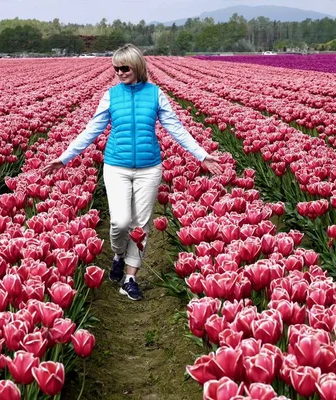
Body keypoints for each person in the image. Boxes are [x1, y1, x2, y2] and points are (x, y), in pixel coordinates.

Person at [42, 44, 222, 301]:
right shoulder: (111, 96)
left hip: (149, 168)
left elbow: (176, 129)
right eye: (116, 68)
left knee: (141, 226)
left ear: (137, 66)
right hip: (116, 166)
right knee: (120, 222)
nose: (119, 72)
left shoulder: (156, 95)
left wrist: (201, 155)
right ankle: (117, 254)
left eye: (124, 68)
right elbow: (91, 130)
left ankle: (129, 278)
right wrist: (65, 157)